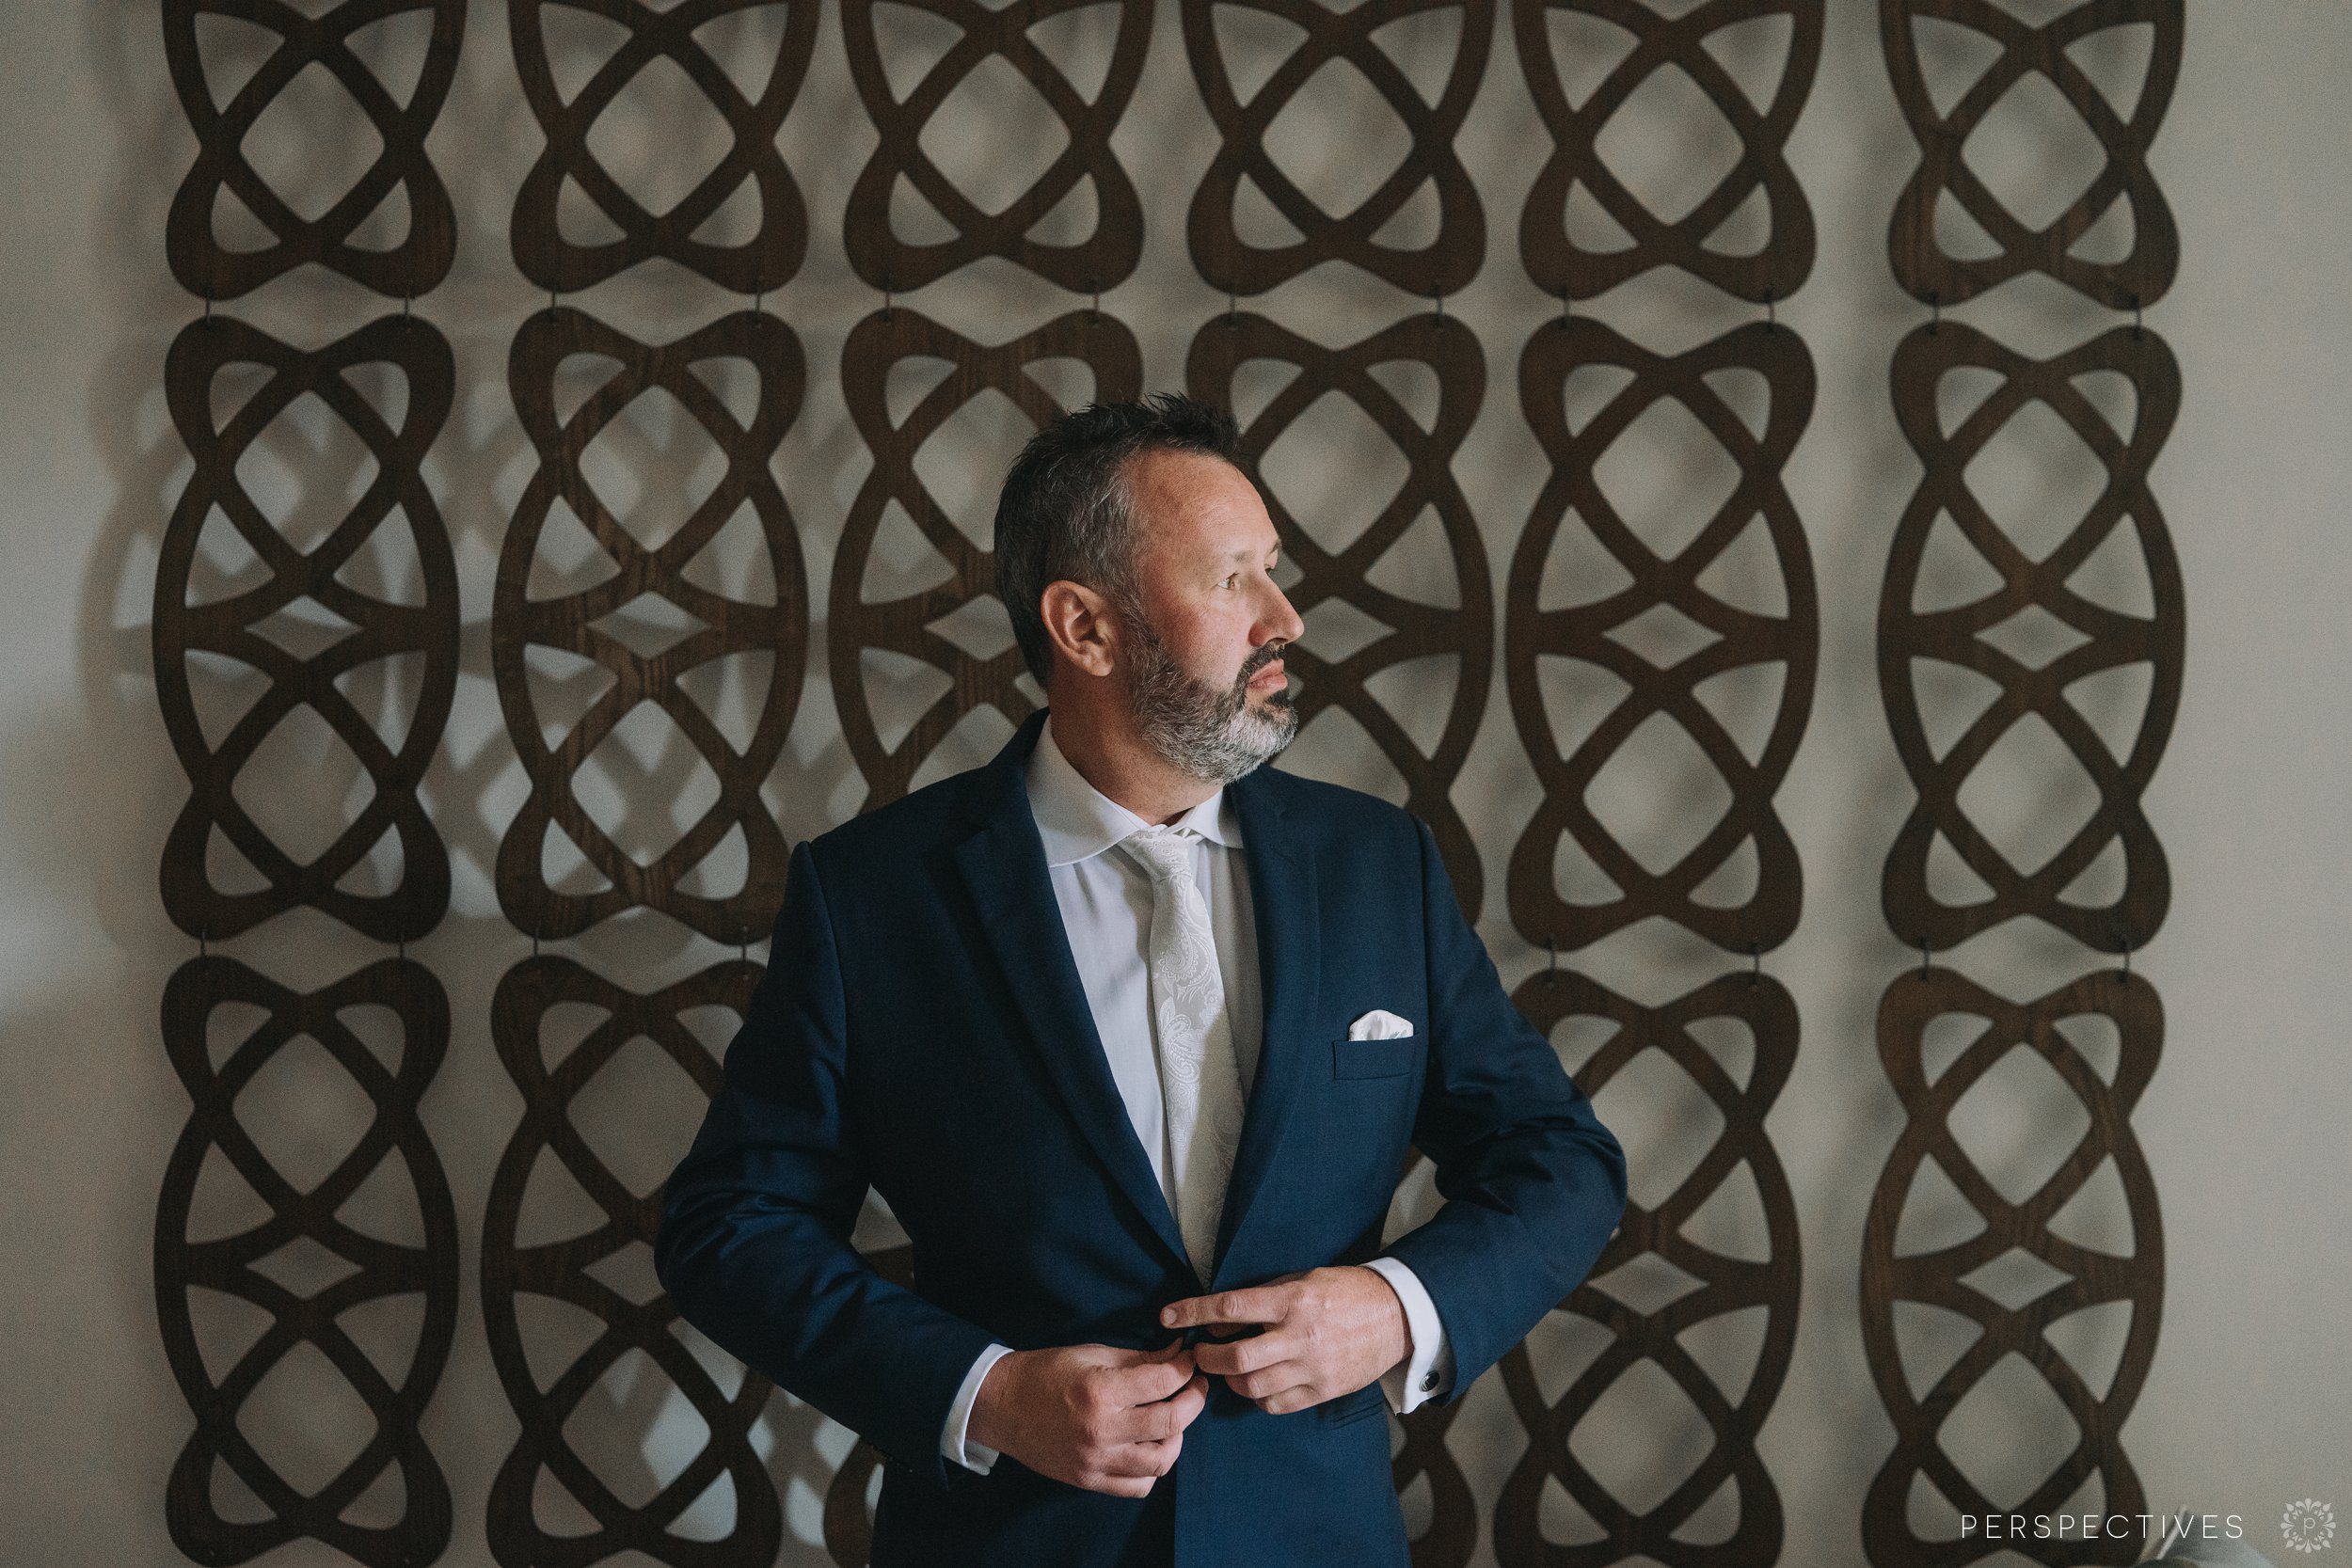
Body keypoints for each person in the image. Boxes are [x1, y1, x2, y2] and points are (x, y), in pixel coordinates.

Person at [654, 393, 1628, 1566]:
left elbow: (1559, 1157)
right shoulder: (872, 896)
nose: (1287, 617)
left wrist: (1395, 1307)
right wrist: (990, 1392)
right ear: (1086, 627)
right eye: (1233, 581)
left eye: (1273, 571)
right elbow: (731, 1224)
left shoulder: (1379, 866)